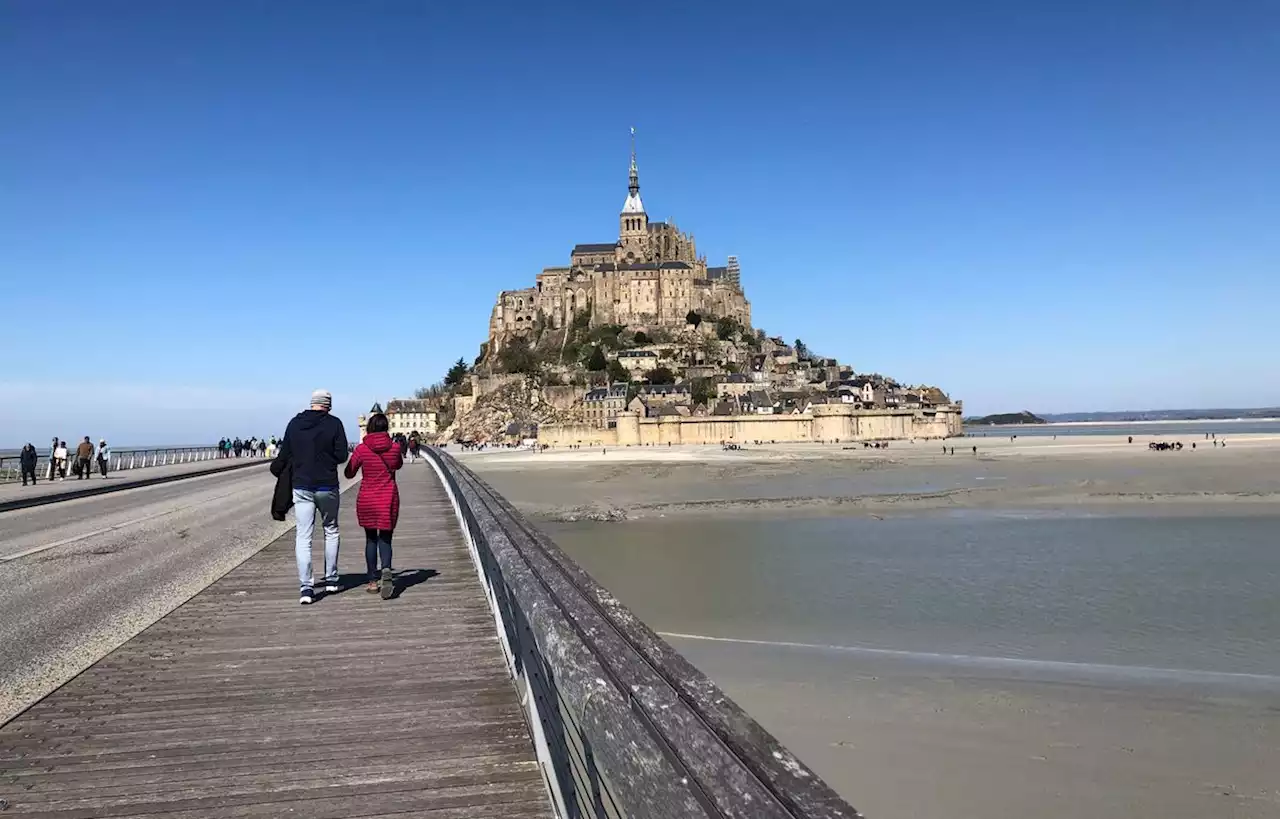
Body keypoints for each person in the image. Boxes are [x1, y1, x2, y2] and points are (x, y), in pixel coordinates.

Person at [278, 389, 349, 605]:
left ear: (312, 403)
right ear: (328, 405)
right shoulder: (335, 424)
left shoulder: (294, 423)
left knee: (304, 536)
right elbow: (342, 455)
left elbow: (285, 454)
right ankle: (331, 579)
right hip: (327, 485)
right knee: (331, 530)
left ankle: (307, 587)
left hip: (302, 485)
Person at [345, 412, 402, 599]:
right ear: (386, 428)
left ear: (368, 428)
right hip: (388, 497)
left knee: (371, 539)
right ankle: (386, 570)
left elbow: (349, 473)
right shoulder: (394, 448)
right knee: (386, 538)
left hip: (367, 498)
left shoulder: (361, 449)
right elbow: (398, 465)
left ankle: (371, 581)